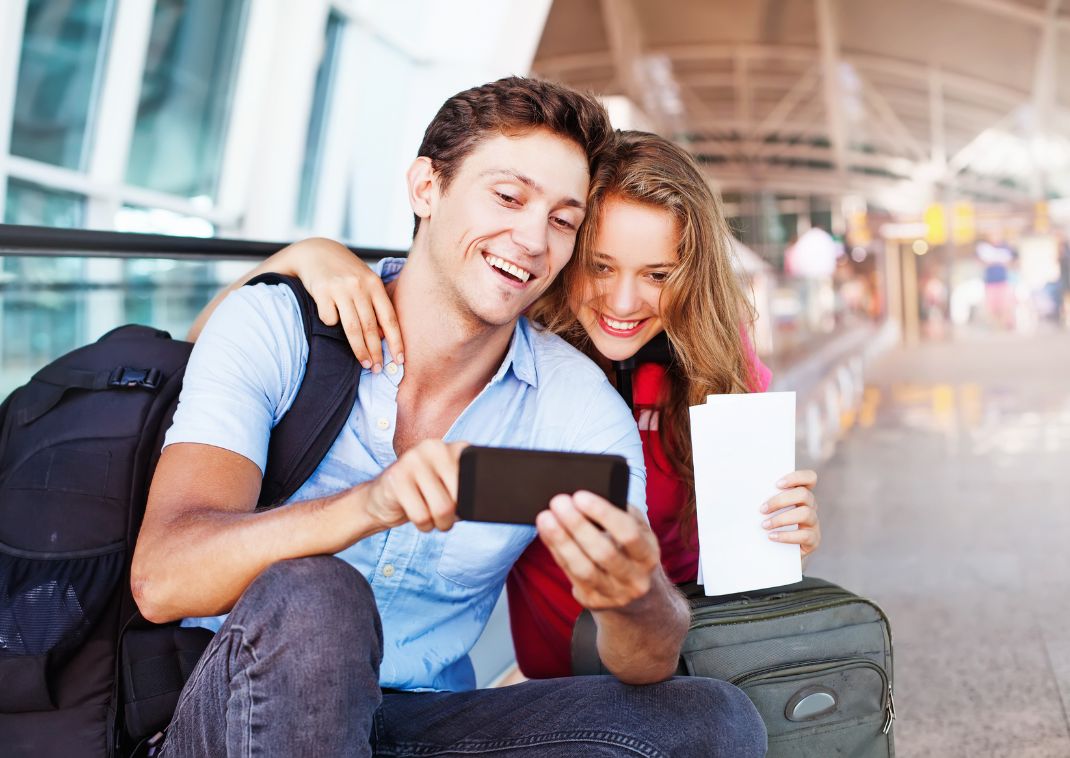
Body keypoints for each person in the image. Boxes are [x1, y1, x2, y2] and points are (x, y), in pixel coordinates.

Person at [133, 78, 767, 757]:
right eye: (507, 196)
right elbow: (162, 577)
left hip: (421, 724)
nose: (530, 237)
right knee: (316, 598)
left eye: (562, 220)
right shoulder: (279, 326)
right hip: (233, 716)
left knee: (712, 721)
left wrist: (639, 598)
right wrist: (369, 503)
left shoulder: (577, 404)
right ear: (426, 189)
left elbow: (643, 662)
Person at [225, 130, 822, 681]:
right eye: (601, 266)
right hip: (557, 667)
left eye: (658, 274)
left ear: (691, 276)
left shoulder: (716, 363)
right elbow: (203, 350)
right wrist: (304, 256)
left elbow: (747, 538)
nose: (623, 299)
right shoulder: (514, 341)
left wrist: (784, 529)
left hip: (683, 639)